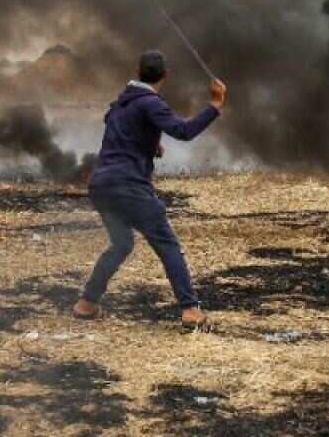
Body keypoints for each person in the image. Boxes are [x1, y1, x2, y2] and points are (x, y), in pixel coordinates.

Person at [74, 50, 226, 327]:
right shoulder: (150, 103)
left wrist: (150, 145)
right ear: (165, 76)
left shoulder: (119, 105)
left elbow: (123, 134)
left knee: (121, 244)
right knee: (167, 244)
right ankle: (191, 310)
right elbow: (184, 131)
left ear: (137, 70)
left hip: (101, 185)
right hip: (129, 186)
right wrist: (214, 106)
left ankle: (86, 304)